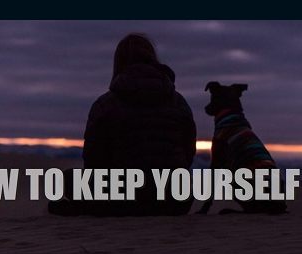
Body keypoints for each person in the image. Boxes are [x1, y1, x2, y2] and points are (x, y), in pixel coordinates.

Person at [49, 33, 197, 216]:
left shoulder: (105, 104)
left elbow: (94, 162)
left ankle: (92, 208)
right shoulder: (179, 102)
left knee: (66, 179)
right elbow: (188, 153)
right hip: (175, 199)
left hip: (124, 197)